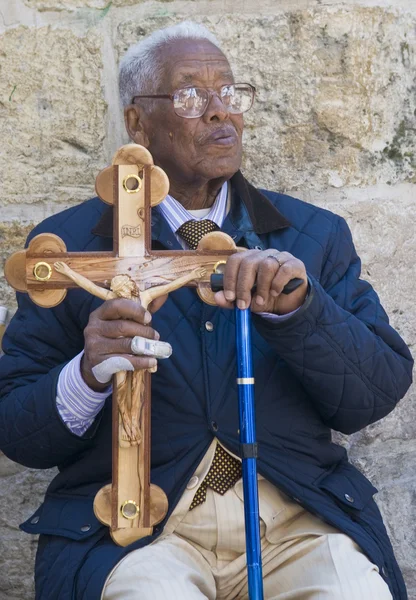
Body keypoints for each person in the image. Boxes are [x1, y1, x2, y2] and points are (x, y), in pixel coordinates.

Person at [0, 21, 413, 600]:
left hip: (295, 521)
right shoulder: (69, 252)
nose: (221, 112)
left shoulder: (311, 237)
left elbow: (376, 393)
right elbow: (19, 431)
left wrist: (299, 311)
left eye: (230, 93)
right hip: (141, 531)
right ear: (138, 122)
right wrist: (88, 373)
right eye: (192, 95)